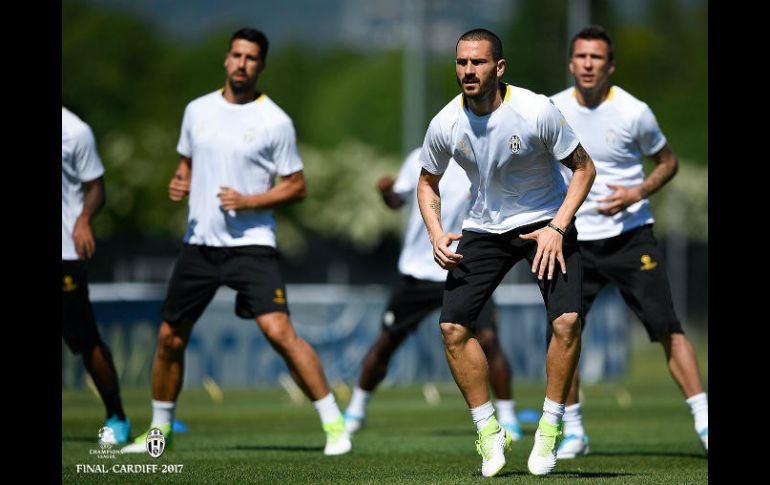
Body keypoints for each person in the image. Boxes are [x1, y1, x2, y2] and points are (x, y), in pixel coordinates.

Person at [121, 28, 351, 456]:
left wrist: (249, 201)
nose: (242, 63)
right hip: (200, 244)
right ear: (226, 59)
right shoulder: (197, 111)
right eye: (237, 55)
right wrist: (180, 180)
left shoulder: (274, 120)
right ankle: (158, 434)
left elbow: (297, 186)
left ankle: (335, 426)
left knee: (279, 332)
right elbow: (187, 165)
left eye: (251, 58)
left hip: (252, 245)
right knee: (170, 337)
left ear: (260, 66)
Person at [417, 28, 596, 477]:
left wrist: (558, 227)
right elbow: (427, 182)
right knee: (452, 328)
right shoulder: (445, 123)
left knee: (567, 322)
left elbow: (584, 169)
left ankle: (550, 429)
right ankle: (488, 431)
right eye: (462, 63)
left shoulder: (536, 110)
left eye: (477, 62)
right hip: (484, 227)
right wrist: (435, 232)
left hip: (546, 222)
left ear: (498, 67)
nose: (468, 71)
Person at [550, 25, 708, 458]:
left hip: (630, 238)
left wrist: (637, 192)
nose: (588, 64)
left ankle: (704, 421)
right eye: (581, 56)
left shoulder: (634, 112)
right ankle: (574, 432)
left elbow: (668, 162)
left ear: (610, 66)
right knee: (563, 331)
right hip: (574, 240)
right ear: (571, 63)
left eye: (596, 58)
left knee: (667, 327)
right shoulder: (552, 109)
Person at [343, 148, 523, 440]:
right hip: (419, 270)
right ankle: (356, 410)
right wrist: (386, 192)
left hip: (464, 267)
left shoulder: (484, 156)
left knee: (489, 339)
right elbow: (396, 201)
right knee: (388, 340)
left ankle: (508, 417)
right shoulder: (420, 157)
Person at [62, 107, 131, 444]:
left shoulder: (74, 131)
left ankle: (116, 415)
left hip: (64, 253)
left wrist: (84, 220)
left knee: (85, 340)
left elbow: (96, 188)